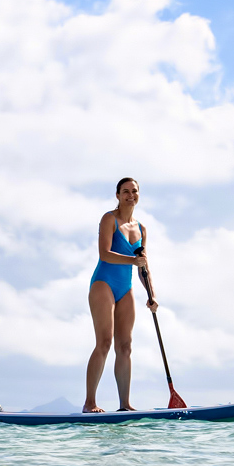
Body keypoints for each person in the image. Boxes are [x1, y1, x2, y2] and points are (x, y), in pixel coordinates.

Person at [84, 177, 156, 413]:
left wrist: (151, 295)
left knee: (125, 346)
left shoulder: (141, 229)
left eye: (134, 191)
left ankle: (124, 405)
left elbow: (143, 265)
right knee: (104, 342)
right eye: (125, 191)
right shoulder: (109, 219)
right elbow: (105, 254)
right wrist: (134, 261)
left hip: (125, 288)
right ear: (117, 195)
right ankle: (90, 403)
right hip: (103, 283)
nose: (130, 195)